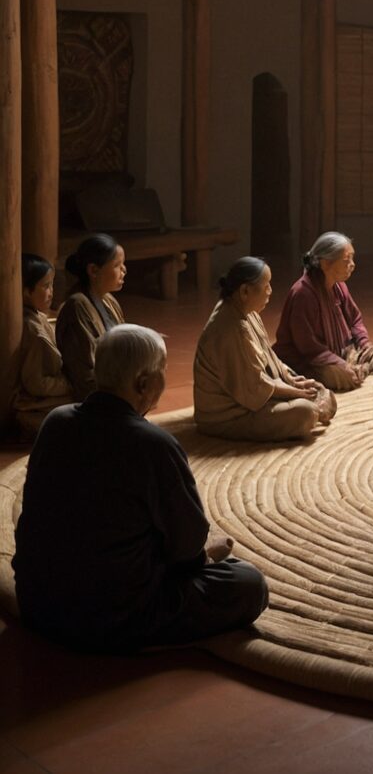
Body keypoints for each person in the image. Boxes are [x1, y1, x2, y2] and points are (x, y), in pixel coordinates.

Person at [13, 324, 268, 652]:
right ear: (144, 383)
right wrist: (204, 555)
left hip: (36, 602)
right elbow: (187, 548)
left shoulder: (55, 422)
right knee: (249, 583)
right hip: (111, 616)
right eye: (163, 370)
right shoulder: (153, 444)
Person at [194, 257, 337, 441]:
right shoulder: (230, 329)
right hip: (229, 415)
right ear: (245, 291)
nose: (270, 291)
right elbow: (254, 387)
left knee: (317, 390)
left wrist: (291, 380)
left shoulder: (244, 310)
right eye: (266, 285)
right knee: (306, 412)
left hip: (253, 396)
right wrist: (297, 393)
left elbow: (268, 356)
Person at [275, 231, 373, 391]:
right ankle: (357, 370)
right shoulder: (303, 294)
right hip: (312, 360)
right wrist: (341, 364)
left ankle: (359, 368)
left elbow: (355, 319)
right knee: (345, 377)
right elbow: (308, 346)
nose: (352, 264)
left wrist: (364, 344)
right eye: (346, 260)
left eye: (352, 258)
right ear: (325, 264)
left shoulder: (339, 285)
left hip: (345, 353)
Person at [55, 232, 126, 401]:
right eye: (117, 265)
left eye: (123, 264)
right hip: (94, 392)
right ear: (93, 270)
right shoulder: (77, 305)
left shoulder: (109, 300)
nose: (124, 270)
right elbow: (84, 370)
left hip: (114, 383)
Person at [12, 255, 74, 445]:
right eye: (45, 286)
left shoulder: (38, 316)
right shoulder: (33, 330)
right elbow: (36, 384)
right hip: (32, 404)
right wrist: (71, 382)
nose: (51, 292)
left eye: (52, 285)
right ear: (26, 292)